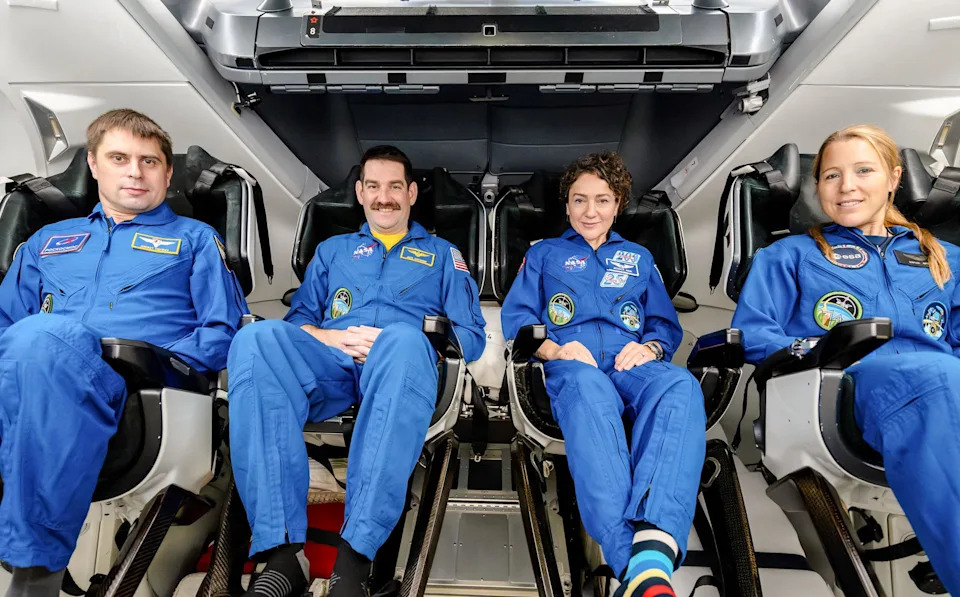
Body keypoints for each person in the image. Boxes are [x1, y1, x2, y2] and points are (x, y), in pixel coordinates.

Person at [0, 109, 248, 597]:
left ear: (167, 172)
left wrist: (156, 361)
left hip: (135, 387)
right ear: (93, 165)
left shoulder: (195, 240)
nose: (135, 171)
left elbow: (223, 332)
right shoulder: (44, 243)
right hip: (29, 377)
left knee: (44, 336)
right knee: (34, 343)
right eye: (119, 158)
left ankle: (33, 575)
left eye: (149, 161)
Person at [227, 146, 486, 597]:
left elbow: (473, 336)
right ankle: (283, 559)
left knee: (403, 340)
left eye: (393, 187)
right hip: (331, 362)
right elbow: (298, 323)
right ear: (361, 194)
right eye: (373, 187)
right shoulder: (332, 251)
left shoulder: (445, 255)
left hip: (403, 367)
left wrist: (403, 342)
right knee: (256, 339)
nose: (383, 197)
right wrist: (330, 338)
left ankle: (353, 564)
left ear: (411, 193)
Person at [732, 124, 960, 594]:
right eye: (830, 176)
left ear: (893, 178)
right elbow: (754, 332)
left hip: (945, 385)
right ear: (817, 188)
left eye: (863, 170)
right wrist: (815, 350)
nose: (846, 186)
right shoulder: (789, 255)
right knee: (935, 377)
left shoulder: (947, 258)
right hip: (845, 390)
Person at [501, 152, 705, 597]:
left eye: (602, 200)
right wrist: (556, 348)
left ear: (618, 205)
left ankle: (652, 546)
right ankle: (635, 565)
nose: (590, 211)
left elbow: (664, 325)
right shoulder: (543, 255)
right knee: (589, 390)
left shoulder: (639, 257)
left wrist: (648, 347)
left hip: (630, 361)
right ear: (567, 205)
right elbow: (517, 321)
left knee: (680, 385)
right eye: (579, 200)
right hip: (571, 364)